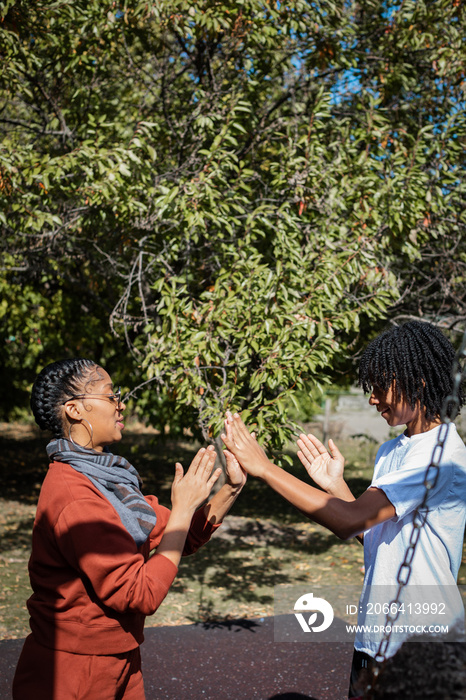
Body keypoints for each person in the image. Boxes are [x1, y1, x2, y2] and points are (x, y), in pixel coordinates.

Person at [221, 321, 466, 699]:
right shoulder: (391, 451)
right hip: (373, 638)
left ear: (417, 381)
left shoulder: (441, 456)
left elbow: (348, 520)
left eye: (381, 386)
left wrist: (266, 468)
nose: (372, 399)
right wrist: (335, 486)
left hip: (424, 643)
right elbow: (372, 532)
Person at [13, 358, 246, 700]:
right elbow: (139, 594)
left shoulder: (110, 479)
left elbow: (180, 537)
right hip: (74, 673)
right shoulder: (75, 496)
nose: (121, 404)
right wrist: (182, 508)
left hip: (120, 658)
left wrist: (230, 489)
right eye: (111, 396)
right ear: (76, 410)